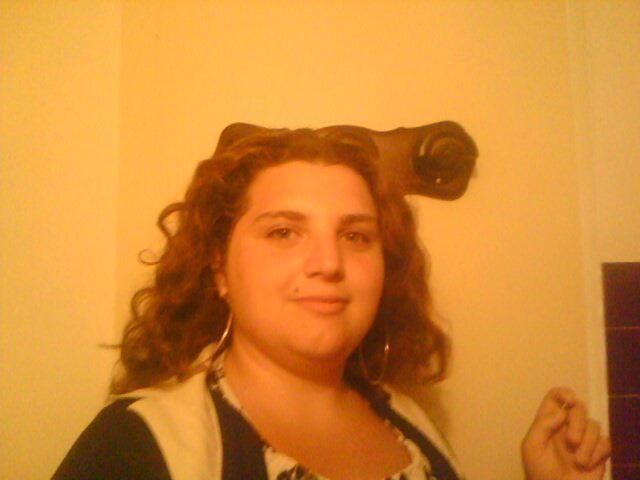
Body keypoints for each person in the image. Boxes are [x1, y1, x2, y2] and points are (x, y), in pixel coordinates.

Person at [54, 128, 610, 480]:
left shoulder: (410, 423)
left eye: (355, 236)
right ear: (219, 269)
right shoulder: (137, 446)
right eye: (283, 232)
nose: (328, 263)